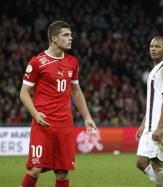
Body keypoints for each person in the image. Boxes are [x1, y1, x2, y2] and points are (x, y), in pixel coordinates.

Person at [20, 20, 97, 187]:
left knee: (62, 172)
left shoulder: (72, 62)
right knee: (35, 168)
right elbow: (23, 93)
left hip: (64, 124)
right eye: (66, 35)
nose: (71, 38)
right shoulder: (37, 62)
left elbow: (76, 91)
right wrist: (35, 113)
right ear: (54, 38)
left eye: (70, 35)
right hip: (43, 123)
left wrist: (87, 117)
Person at [135, 36, 163, 187]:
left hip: (162, 125)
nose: (153, 49)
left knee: (157, 164)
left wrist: (160, 127)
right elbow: (154, 102)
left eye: (158, 46)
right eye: (152, 46)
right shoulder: (155, 70)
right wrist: (143, 124)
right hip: (151, 124)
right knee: (141, 162)